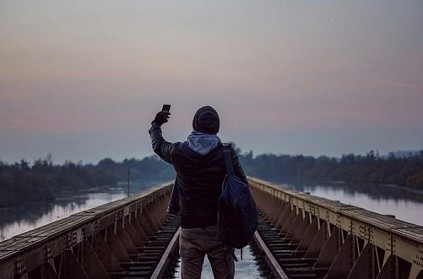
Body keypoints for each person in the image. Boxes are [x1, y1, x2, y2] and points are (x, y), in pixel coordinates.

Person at [148, 105, 248, 279]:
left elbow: (159, 145)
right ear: (216, 126)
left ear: (195, 124)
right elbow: (242, 186)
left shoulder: (179, 152)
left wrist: (156, 124)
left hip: (190, 228)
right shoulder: (226, 153)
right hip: (219, 229)